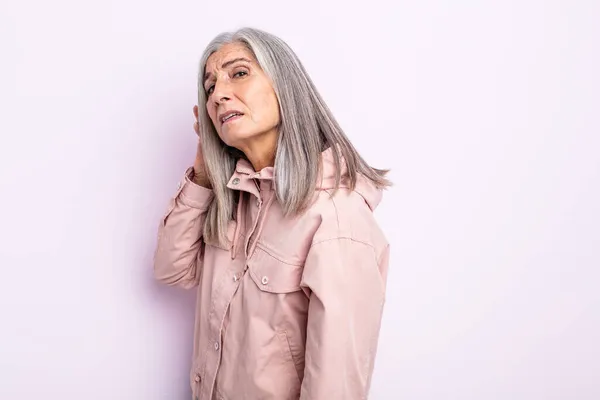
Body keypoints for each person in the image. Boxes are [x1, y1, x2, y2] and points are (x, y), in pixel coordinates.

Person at [153, 27, 392, 400]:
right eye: (211, 85)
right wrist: (201, 176)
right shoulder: (236, 198)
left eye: (239, 73)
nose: (218, 95)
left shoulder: (336, 217)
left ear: (285, 87)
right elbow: (172, 270)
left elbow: (335, 388)